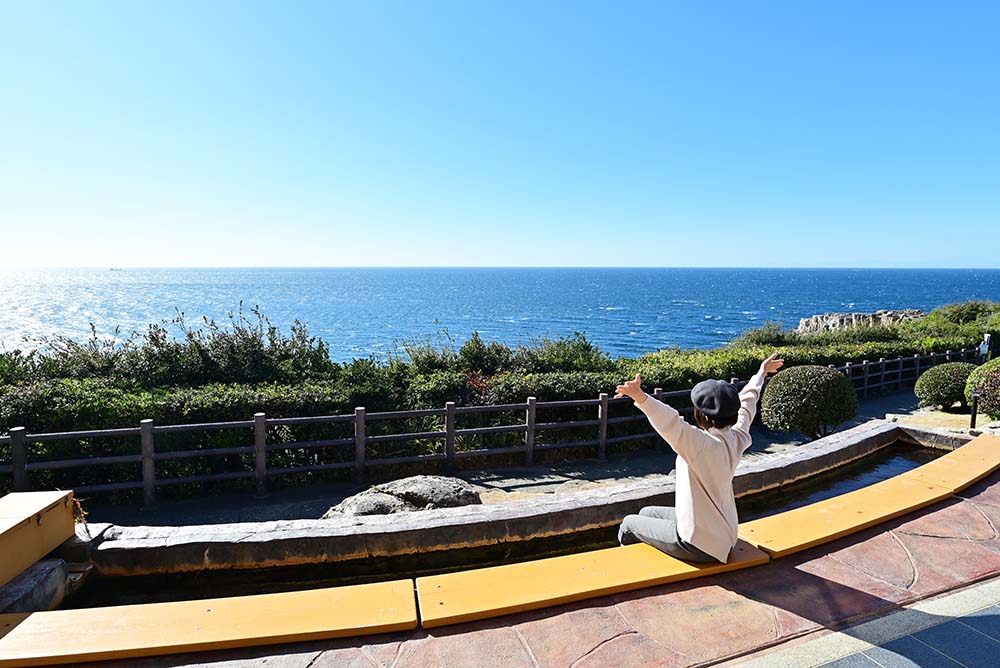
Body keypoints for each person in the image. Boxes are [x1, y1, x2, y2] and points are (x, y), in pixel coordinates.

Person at [614, 353, 784, 563]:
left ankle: (628, 569)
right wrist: (761, 373)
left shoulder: (700, 444)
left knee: (629, 523)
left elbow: (670, 421)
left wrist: (639, 396)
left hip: (698, 545)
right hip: (724, 535)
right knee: (646, 511)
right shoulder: (737, 436)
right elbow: (748, 403)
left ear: (701, 415)